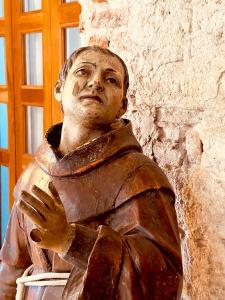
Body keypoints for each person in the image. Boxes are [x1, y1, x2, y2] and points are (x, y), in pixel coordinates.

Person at [0, 46, 182, 299]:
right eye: (83, 71)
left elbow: (164, 278)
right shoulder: (36, 172)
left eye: (111, 79)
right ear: (59, 90)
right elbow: (12, 268)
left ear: (122, 106)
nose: (96, 82)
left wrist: (70, 240)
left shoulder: (140, 176)